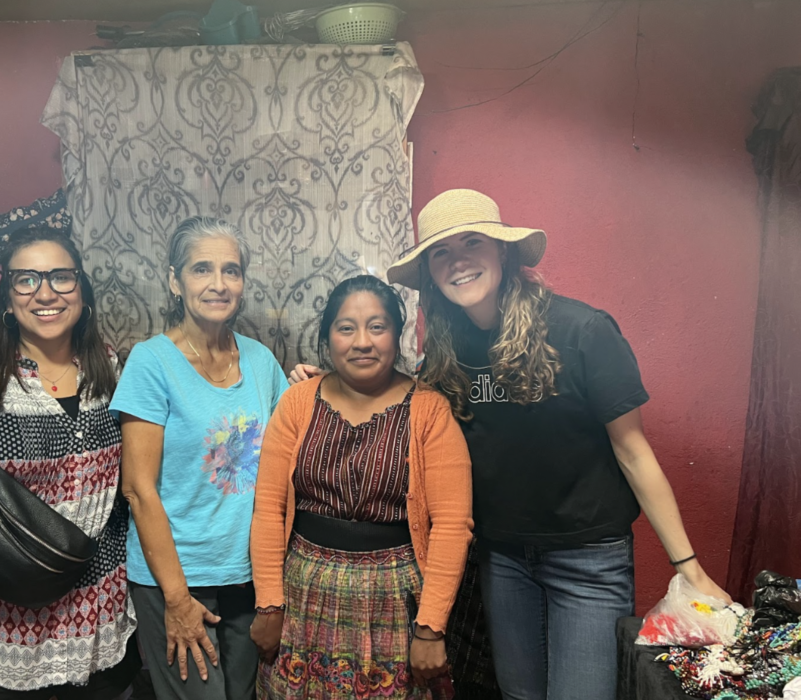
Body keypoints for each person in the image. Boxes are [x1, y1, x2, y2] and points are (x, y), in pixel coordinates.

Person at [380, 188, 729, 700]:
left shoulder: (583, 331)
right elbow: (406, 405)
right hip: (503, 559)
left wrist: (690, 569)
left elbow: (634, 453)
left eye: (472, 242)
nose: (457, 262)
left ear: (504, 251)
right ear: (431, 271)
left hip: (588, 558)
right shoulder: (445, 350)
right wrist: (334, 383)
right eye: (441, 252)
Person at [0, 227, 139, 699]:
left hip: (99, 613)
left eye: (61, 277)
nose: (45, 293)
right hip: (5, 622)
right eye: (26, 280)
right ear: (8, 297)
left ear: (83, 292)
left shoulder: (107, 370)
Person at [251, 274, 473, 700]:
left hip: (394, 601)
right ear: (328, 337)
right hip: (303, 599)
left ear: (397, 334)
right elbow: (268, 509)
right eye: (346, 327)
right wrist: (269, 604)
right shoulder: (298, 403)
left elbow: (451, 525)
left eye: (377, 326)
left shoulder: (429, 412)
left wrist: (429, 629)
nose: (362, 342)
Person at [112, 216, 290, 700]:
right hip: (177, 577)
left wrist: (319, 389)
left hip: (247, 575)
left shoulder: (260, 361)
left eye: (231, 270)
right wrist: (175, 598)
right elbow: (137, 489)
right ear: (175, 280)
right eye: (201, 269)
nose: (218, 284)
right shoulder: (152, 362)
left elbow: (289, 450)